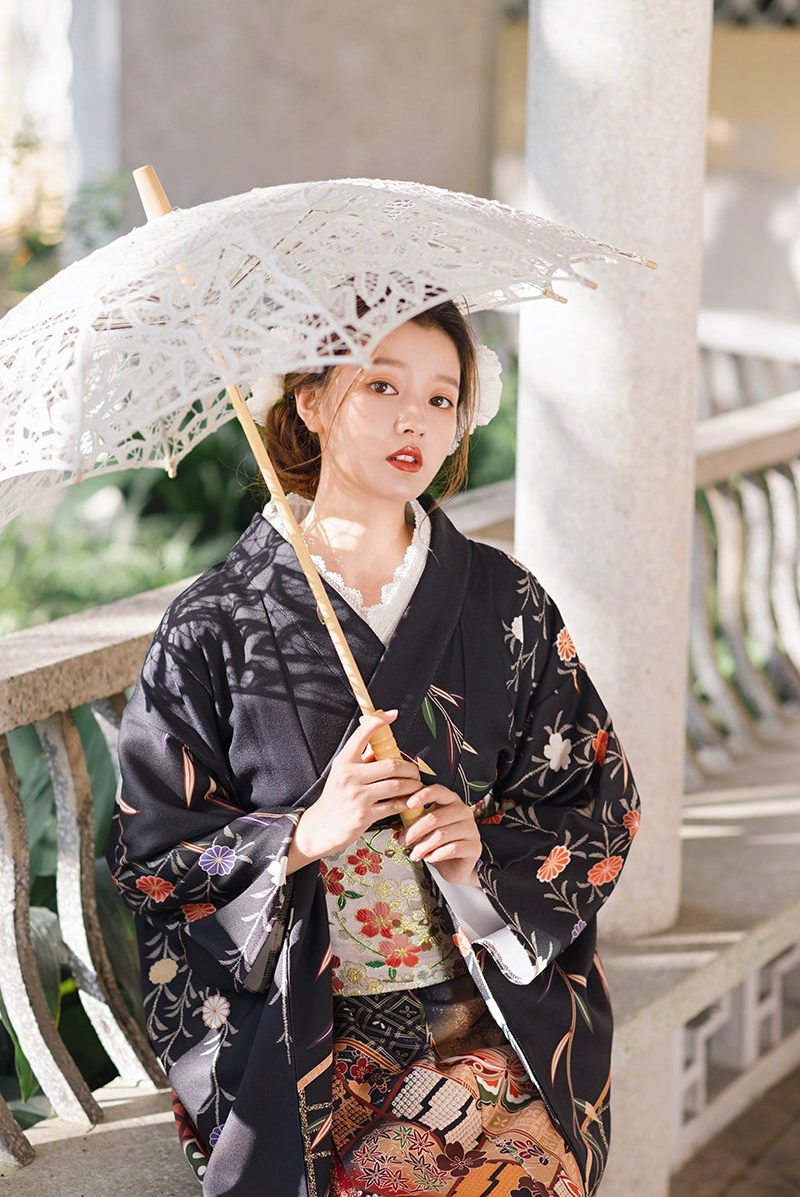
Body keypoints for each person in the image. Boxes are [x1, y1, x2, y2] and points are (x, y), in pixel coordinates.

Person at [107, 300, 640, 1197]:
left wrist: (478, 855)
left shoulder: (504, 599)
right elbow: (151, 857)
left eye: (442, 399)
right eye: (381, 385)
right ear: (310, 402)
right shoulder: (214, 623)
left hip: (485, 1015)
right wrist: (305, 834)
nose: (414, 421)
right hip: (305, 1029)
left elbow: (595, 796)